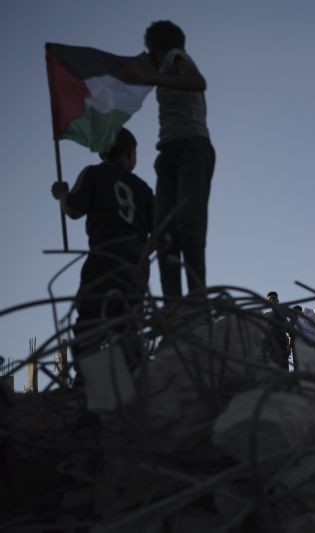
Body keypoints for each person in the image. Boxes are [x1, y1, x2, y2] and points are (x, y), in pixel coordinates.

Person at [51, 128, 154, 360]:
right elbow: (160, 228)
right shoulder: (143, 188)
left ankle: (86, 383)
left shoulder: (93, 174)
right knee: (129, 323)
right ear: (130, 152)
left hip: (104, 257)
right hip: (137, 263)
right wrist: (143, 254)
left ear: (102, 154)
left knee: (91, 320)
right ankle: (135, 376)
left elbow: (74, 209)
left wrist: (62, 195)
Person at [130, 21, 216, 300]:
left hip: (191, 146)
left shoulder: (174, 57)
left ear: (155, 48)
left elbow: (197, 82)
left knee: (188, 225)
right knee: (165, 231)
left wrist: (151, 79)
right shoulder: (166, 64)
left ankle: (196, 301)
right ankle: (173, 307)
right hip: (168, 151)